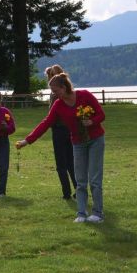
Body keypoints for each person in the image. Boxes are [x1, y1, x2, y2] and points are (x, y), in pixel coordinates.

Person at [16, 73, 106, 223]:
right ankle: (81, 214)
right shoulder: (58, 105)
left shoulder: (85, 95)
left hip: (96, 140)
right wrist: (27, 140)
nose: (54, 94)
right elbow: (46, 123)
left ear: (64, 88)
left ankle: (97, 213)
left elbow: (101, 115)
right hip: (78, 143)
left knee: (95, 180)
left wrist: (92, 122)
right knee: (81, 180)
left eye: (55, 90)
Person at [45, 65, 77, 200]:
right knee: (71, 162)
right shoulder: (71, 93)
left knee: (62, 164)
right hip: (69, 129)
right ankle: (78, 189)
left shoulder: (55, 96)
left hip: (59, 130)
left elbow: (51, 115)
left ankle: (66, 192)